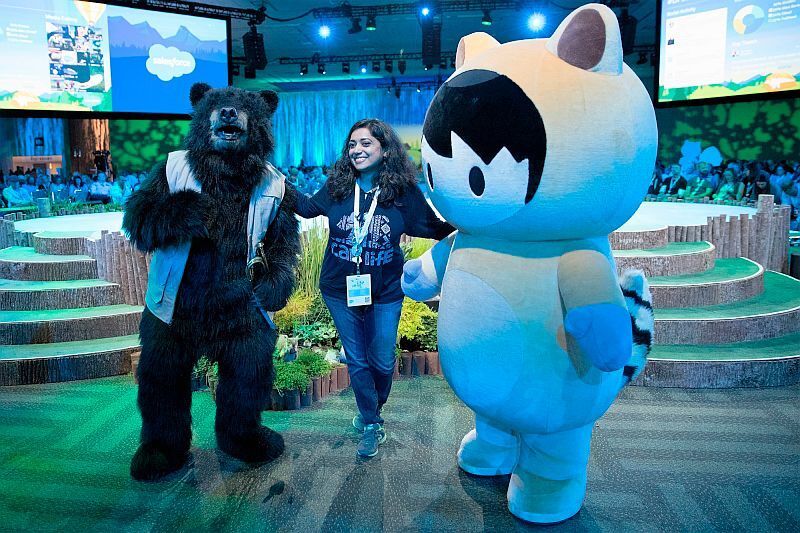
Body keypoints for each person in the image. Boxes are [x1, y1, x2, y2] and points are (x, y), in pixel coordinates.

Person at [289, 118, 454, 458]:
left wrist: (475, 227)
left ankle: (372, 406)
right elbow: (305, 208)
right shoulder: (338, 186)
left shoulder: (403, 194)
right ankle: (371, 421)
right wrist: (272, 180)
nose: (357, 150)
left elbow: (436, 228)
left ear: (385, 150)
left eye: (366, 143)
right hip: (338, 289)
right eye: (352, 144)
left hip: (386, 291)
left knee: (381, 359)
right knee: (357, 359)